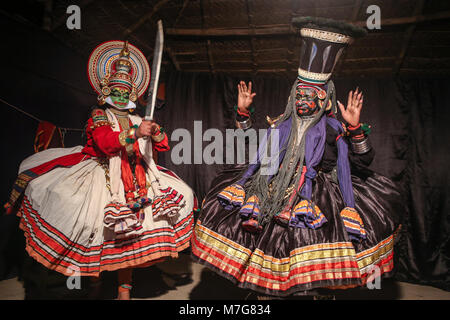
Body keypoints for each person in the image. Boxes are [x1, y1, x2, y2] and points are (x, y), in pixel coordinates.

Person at [190, 17, 403, 297]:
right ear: (292, 96)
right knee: (263, 247)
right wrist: (243, 114)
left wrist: (353, 129)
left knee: (308, 248)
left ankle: (311, 292)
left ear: (325, 99)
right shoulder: (281, 124)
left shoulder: (333, 130)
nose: (303, 101)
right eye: (299, 94)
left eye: (311, 95)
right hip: (271, 187)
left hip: (318, 194)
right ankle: (265, 292)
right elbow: (249, 144)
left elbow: (359, 164)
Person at [4, 40, 196, 300]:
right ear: (106, 91)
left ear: (132, 94)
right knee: (91, 231)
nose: (120, 96)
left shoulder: (141, 118)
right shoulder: (100, 116)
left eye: (125, 92)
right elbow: (105, 143)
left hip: (140, 179)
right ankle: (91, 286)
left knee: (131, 238)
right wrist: (134, 133)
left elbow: (162, 144)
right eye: (115, 91)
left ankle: (123, 289)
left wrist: (155, 131)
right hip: (104, 176)